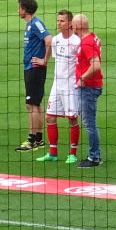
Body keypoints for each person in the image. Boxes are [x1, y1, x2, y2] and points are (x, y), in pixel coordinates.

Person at [37, 10, 82, 164]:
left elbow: (82, 63)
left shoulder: (77, 42)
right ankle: (53, 153)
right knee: (50, 116)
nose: (59, 23)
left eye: (62, 21)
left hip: (71, 87)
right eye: (58, 21)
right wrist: (44, 60)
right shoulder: (56, 40)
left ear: (70, 23)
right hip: (57, 85)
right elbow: (52, 54)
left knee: (72, 119)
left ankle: (72, 153)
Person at [17, 0, 52, 152]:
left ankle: (32, 141)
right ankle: (38, 139)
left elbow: (49, 40)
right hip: (30, 68)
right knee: (34, 104)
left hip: (35, 68)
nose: (18, 10)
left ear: (25, 9)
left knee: (31, 104)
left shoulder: (36, 23)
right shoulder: (30, 24)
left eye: (20, 7)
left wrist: (45, 60)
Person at [73, 12, 104, 168]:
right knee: (90, 122)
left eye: (72, 24)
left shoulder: (86, 43)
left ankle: (94, 157)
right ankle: (94, 155)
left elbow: (96, 65)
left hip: (89, 87)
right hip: (93, 85)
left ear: (78, 26)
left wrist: (82, 78)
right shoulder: (93, 37)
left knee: (89, 123)